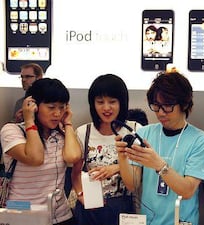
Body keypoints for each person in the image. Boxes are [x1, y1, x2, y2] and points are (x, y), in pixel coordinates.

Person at [117, 71, 204, 225]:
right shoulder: (145, 133)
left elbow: (187, 190)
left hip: (181, 221)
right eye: (156, 106)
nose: (160, 112)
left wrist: (159, 165)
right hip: (147, 221)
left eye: (167, 106)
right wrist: (122, 157)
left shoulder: (200, 141)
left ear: (184, 104)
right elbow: (132, 185)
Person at [0, 78, 81, 225]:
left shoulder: (61, 134)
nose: (57, 113)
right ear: (34, 106)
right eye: (51, 107)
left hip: (60, 215)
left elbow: (73, 156)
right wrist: (29, 121)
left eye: (62, 107)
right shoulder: (12, 131)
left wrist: (68, 123)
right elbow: (35, 158)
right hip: (23, 213)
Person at [71, 74, 139, 225]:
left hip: (124, 206)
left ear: (122, 103)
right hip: (91, 207)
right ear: (93, 104)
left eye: (112, 102)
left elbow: (141, 171)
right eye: (100, 102)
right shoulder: (83, 132)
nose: (106, 108)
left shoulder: (134, 130)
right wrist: (81, 194)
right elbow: (75, 172)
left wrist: (116, 167)